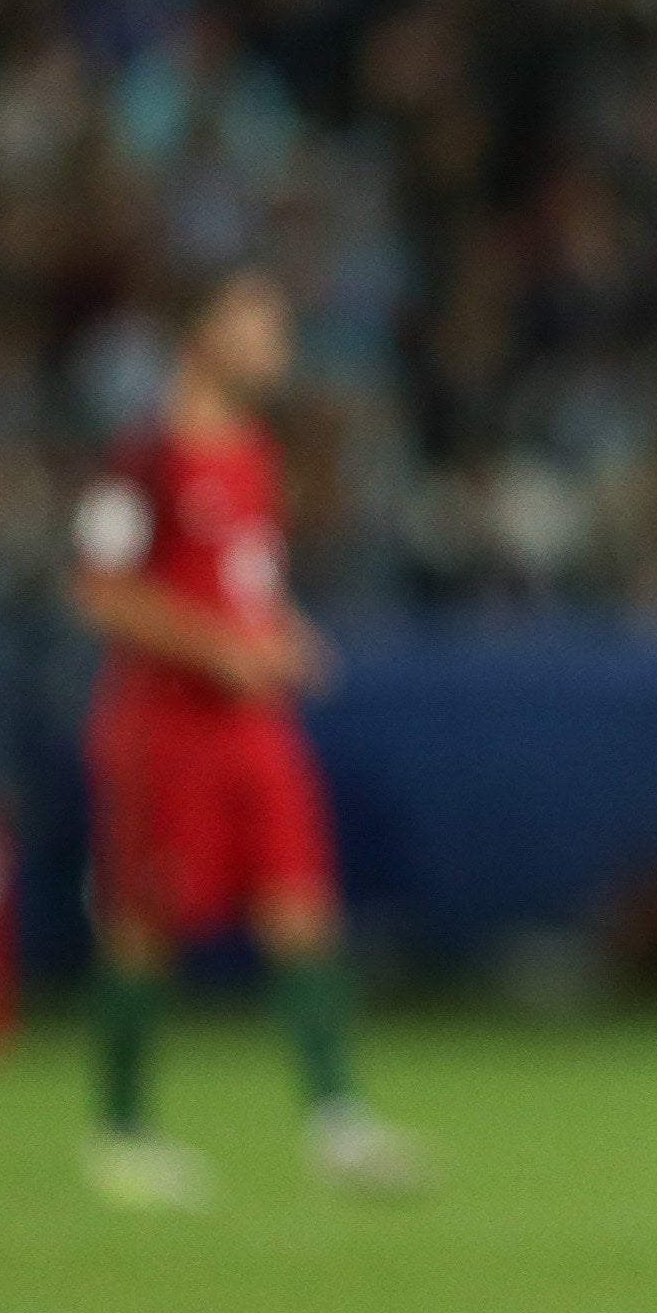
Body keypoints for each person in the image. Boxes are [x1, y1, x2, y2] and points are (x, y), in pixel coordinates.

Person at [72, 269, 424, 1209]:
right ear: (200, 337)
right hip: (163, 726)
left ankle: (338, 1121)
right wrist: (219, 648)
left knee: (300, 906)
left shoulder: (256, 453)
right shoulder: (146, 457)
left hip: (254, 726)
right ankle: (121, 1135)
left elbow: (244, 585)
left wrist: (285, 635)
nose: (275, 339)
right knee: (144, 923)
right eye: (254, 322)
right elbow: (99, 591)